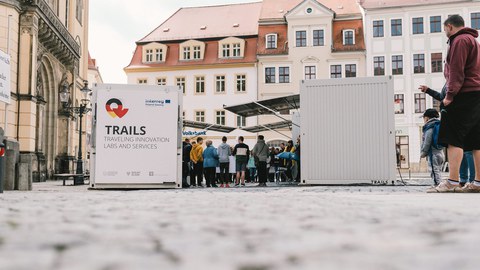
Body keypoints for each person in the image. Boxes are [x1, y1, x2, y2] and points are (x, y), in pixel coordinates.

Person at [427, 15, 480, 193]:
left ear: (449, 27)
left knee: (453, 137)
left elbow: (457, 70)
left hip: (463, 95)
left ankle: (453, 181)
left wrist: (449, 96)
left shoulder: (459, 41)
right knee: (476, 140)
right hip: (476, 94)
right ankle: (478, 183)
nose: (445, 33)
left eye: (444, 30)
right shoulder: (473, 40)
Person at [419, 84, 476, 186]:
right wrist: (428, 90)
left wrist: (447, 99)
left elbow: (449, 94)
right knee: (464, 151)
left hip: (460, 117)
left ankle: (470, 180)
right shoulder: (449, 82)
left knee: (468, 151)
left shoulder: (455, 77)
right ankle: (464, 180)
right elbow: (442, 96)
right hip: (459, 117)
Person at [420, 109, 445, 186]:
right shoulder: (438, 125)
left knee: (434, 170)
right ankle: (439, 183)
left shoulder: (430, 127)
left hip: (433, 153)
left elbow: (427, 141)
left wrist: (423, 152)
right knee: (438, 170)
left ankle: (437, 185)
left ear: (427, 118)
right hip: (440, 152)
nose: (423, 120)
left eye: (423, 118)